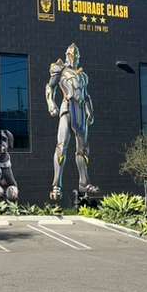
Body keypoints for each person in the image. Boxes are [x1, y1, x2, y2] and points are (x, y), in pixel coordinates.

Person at [46, 43, 98, 201]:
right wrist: (51, 103)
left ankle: (84, 183)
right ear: (67, 55)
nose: (73, 57)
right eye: (70, 54)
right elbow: (50, 87)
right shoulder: (60, 69)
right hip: (67, 108)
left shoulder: (83, 76)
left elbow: (86, 95)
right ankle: (56, 185)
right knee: (61, 146)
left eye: (76, 55)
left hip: (80, 111)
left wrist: (90, 112)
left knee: (82, 150)